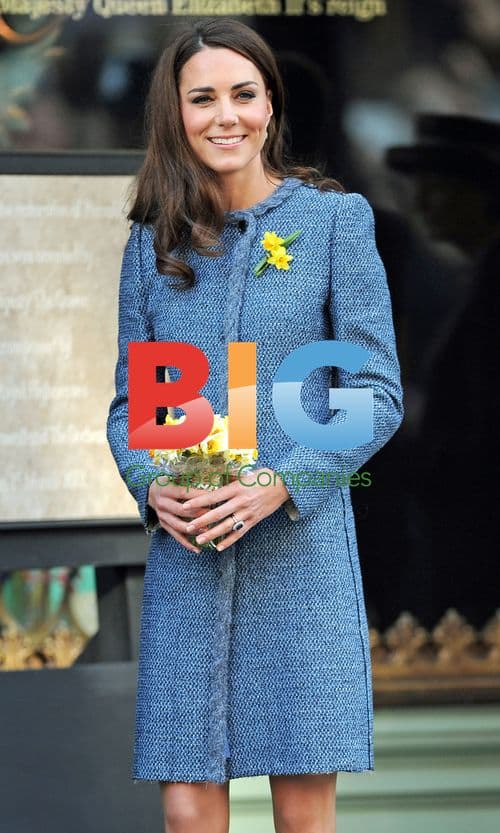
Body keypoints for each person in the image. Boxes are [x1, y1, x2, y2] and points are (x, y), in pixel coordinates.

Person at [106, 17, 404, 833]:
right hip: (189, 561)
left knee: (303, 821)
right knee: (186, 815)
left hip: (299, 562)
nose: (224, 115)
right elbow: (134, 409)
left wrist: (282, 483)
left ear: (270, 104)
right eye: (202, 98)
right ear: (177, 113)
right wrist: (152, 483)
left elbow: (374, 390)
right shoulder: (151, 241)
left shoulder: (335, 224)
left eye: (242, 93)